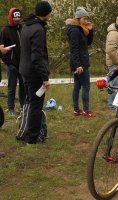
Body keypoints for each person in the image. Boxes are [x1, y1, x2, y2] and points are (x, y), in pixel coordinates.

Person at [16, 1, 52, 144]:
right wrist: (45, 77)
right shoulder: (38, 29)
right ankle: (32, 138)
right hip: (34, 73)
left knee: (30, 103)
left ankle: (26, 131)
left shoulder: (26, 25)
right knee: (36, 105)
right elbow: (37, 56)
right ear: (46, 13)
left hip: (24, 70)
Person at [65, 7, 96, 117]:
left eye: (88, 19)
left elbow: (88, 43)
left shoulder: (81, 30)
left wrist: (91, 30)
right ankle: (86, 111)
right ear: (78, 19)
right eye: (84, 19)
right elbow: (74, 49)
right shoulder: (75, 31)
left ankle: (76, 110)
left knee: (77, 87)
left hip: (80, 63)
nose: (87, 21)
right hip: (80, 64)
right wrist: (78, 65)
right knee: (86, 87)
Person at [0, 8, 25, 116]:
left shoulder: (21, 28)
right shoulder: (4, 30)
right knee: (12, 87)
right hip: (11, 65)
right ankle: (10, 109)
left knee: (23, 86)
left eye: (18, 18)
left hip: (23, 64)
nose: (17, 20)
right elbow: (1, 49)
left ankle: (23, 106)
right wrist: (8, 62)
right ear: (11, 17)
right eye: (15, 18)